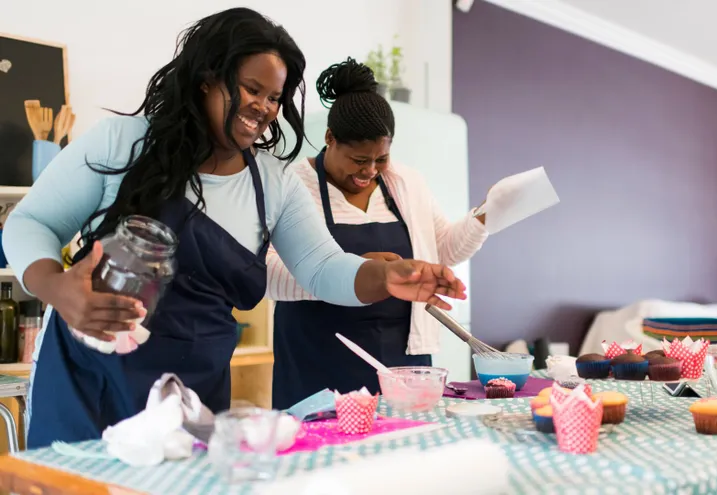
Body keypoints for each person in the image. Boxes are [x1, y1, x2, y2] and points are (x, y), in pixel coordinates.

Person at [4, 9, 465, 449]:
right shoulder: (124, 143)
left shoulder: (272, 181)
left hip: (191, 395)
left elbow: (323, 266)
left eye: (274, 97)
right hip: (91, 380)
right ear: (208, 77)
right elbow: (31, 222)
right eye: (252, 89)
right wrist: (58, 288)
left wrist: (386, 277)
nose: (264, 108)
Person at [266, 58, 490, 409]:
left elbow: (442, 250)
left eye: (380, 159)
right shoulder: (292, 184)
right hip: (317, 362)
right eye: (359, 159)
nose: (369, 171)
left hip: (401, 363)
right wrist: (354, 272)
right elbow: (264, 270)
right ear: (329, 139)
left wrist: (487, 214)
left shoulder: (406, 183)